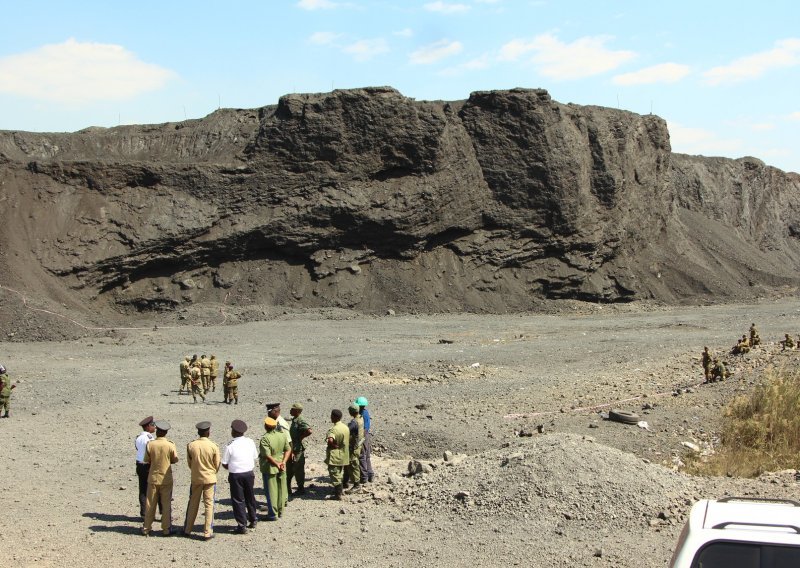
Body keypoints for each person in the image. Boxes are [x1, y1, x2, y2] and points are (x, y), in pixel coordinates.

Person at [183, 421, 220, 540]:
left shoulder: (191, 445)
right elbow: (217, 464)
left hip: (196, 478)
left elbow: (190, 463)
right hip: (210, 478)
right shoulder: (213, 446)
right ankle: (207, 532)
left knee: (193, 503)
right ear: (208, 432)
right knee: (209, 505)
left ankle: (187, 529)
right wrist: (211, 472)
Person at [142, 420, 179, 536]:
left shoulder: (151, 444)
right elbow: (175, 459)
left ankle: (146, 528)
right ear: (166, 433)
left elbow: (146, 459)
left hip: (153, 477)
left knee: (150, 503)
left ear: (157, 431)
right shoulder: (170, 445)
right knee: (166, 504)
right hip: (166, 478)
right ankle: (166, 529)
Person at [222, 419, 258, 534]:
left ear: (234, 431)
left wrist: (233, 467)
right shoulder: (250, 442)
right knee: (250, 496)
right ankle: (253, 519)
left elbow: (224, 463)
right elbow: (254, 456)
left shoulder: (229, 445)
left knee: (238, 500)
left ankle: (242, 525)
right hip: (249, 473)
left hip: (236, 474)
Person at [258, 417, 291, 520]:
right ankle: (281, 511)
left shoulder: (265, 438)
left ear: (266, 426)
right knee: (282, 489)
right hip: (282, 466)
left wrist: (276, 464)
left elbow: (267, 456)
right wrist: (283, 462)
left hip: (270, 468)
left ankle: (273, 514)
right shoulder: (282, 435)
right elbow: (288, 449)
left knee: (271, 491)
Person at [266, 403, 292, 507]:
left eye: (270, 412)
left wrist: (290, 455)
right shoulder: (274, 422)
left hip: (280, 456)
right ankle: (280, 501)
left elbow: (288, 441)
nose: (268, 414)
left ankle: (282, 501)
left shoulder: (280, 423)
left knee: (280, 480)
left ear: (276, 411)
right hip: (276, 454)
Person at [287, 402, 312, 495]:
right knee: (289, 469)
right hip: (292, 449)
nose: (290, 410)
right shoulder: (294, 419)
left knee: (298, 469)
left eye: (292, 409)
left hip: (298, 450)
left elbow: (309, 430)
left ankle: (300, 488)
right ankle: (288, 488)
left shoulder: (300, 420)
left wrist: (301, 437)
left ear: (297, 411)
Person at [324, 409, 350, 500]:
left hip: (335, 455)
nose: (330, 417)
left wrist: (333, 444)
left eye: (331, 416)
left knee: (335, 473)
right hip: (344, 455)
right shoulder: (345, 427)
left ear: (334, 417)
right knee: (340, 472)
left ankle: (338, 494)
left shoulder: (334, 429)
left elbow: (330, 439)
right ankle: (340, 489)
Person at [135, 416, 157, 518]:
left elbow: (137, 448)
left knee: (142, 489)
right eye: (153, 425)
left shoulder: (138, 438)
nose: (155, 427)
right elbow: (152, 451)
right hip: (148, 465)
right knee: (155, 488)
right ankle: (158, 512)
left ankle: (144, 513)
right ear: (148, 426)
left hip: (139, 464)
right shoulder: (150, 438)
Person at [343, 404, 364, 492]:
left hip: (354, 447)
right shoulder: (360, 418)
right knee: (348, 463)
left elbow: (346, 430)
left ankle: (357, 485)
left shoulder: (354, 422)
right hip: (359, 444)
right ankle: (345, 482)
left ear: (351, 412)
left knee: (353, 465)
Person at [355, 396, 375, 483]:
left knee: (362, 456)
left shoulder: (361, 414)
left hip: (363, 436)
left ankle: (364, 477)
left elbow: (363, 428)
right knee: (367, 456)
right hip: (366, 436)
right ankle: (370, 475)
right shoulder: (366, 412)